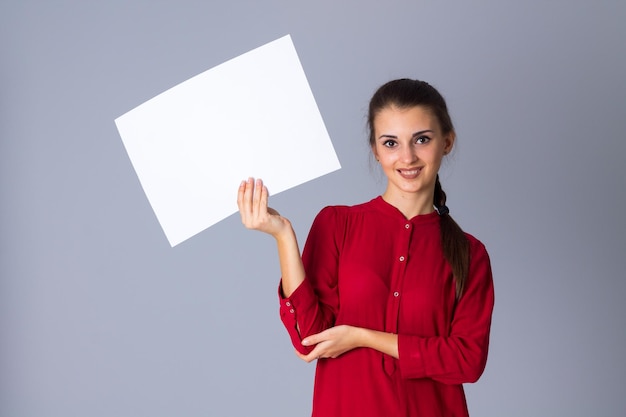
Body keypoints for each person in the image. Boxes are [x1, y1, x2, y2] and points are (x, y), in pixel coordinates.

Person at [237, 78, 494, 417]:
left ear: (446, 142)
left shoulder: (469, 253)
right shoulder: (337, 224)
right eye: (391, 143)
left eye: (422, 139)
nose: (407, 157)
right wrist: (283, 235)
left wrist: (363, 336)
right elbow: (309, 338)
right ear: (375, 149)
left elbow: (467, 361)